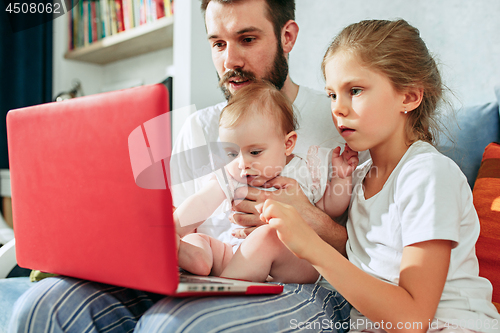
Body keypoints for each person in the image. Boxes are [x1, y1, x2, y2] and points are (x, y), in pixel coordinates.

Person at [9, 1, 354, 332]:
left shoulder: (340, 122)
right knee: (43, 307)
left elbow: (377, 252)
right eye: (218, 43)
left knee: (175, 324)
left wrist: (311, 218)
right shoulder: (201, 127)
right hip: (211, 269)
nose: (230, 59)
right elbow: (184, 224)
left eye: (247, 39)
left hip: (307, 281)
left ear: (287, 36)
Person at [257, 19, 500, 332]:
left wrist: (309, 245)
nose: (338, 109)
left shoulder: (427, 175)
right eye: (331, 95)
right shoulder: (358, 178)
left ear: (409, 97)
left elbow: (412, 320)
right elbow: (370, 259)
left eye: (354, 90)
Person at [176, 81, 358, 283]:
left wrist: (341, 177)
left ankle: (225, 289)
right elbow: (201, 202)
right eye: (232, 153)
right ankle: (198, 259)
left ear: (287, 144)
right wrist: (172, 231)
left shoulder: (303, 169)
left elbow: (330, 208)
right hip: (234, 255)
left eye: (255, 152)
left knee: (267, 236)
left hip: (292, 259)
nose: (242, 163)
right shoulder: (231, 175)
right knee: (196, 240)